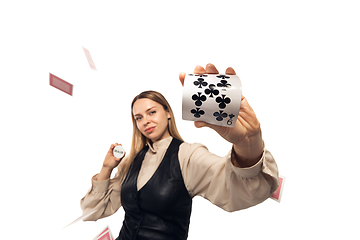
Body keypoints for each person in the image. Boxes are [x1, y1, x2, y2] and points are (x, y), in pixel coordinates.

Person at [80, 63, 279, 240]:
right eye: (138, 117)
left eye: (152, 112)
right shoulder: (132, 162)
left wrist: (247, 144)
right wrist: (106, 168)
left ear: (168, 112)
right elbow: (92, 211)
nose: (145, 121)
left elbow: (239, 188)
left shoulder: (188, 155)